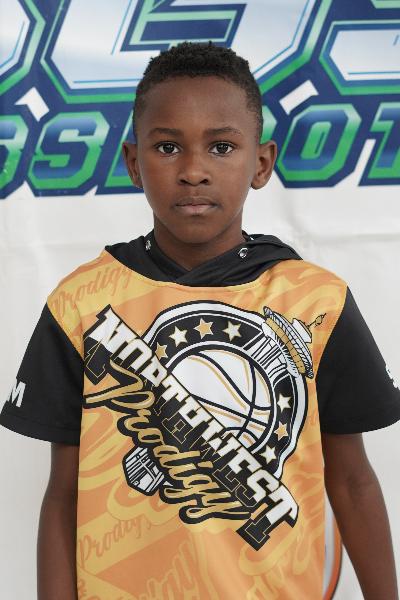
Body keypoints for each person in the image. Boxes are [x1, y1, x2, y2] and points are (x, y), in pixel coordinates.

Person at [1, 42, 400, 600]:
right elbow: (64, 496)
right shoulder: (81, 305)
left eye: (221, 146)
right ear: (134, 162)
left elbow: (353, 482)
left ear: (261, 163)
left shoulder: (316, 302)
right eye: (168, 147)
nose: (193, 171)